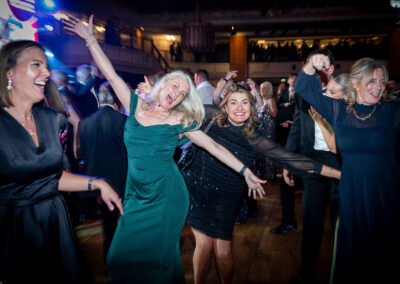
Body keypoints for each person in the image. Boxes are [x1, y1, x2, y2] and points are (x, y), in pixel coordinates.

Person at [63, 15, 267, 283]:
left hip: (167, 196)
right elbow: (111, 73)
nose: (178, 93)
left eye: (183, 93)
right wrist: (90, 39)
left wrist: (245, 171)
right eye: (175, 86)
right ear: (163, 84)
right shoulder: (134, 105)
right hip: (136, 195)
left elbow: (213, 146)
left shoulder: (179, 121)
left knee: (157, 262)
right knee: (118, 258)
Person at [181, 85, 341, 284]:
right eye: (233, 102)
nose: (239, 107)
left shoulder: (255, 140)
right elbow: (183, 105)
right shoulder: (212, 117)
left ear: (252, 107)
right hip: (198, 188)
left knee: (223, 252)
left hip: (227, 197)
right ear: (226, 106)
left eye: (244, 102)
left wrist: (339, 174)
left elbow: (294, 160)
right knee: (203, 245)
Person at [0, 40, 123, 283]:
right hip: (14, 228)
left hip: (55, 220)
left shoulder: (53, 120)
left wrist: (98, 183)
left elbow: (53, 178)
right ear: (10, 72)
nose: (46, 73)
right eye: (37, 65)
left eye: (46, 66)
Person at [295, 54, 400, 283]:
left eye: (382, 82)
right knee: (356, 247)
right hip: (353, 190)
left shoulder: (392, 111)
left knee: (385, 247)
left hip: (387, 191)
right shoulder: (339, 110)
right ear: (354, 83)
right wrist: (313, 62)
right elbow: (303, 86)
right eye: (371, 81)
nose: (378, 87)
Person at [75, 81, 128, 259]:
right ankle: (122, 254)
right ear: (117, 102)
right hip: (120, 179)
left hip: (97, 180)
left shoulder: (85, 123)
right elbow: (126, 153)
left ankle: (109, 253)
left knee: (107, 221)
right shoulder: (122, 121)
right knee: (124, 220)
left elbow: (82, 153)